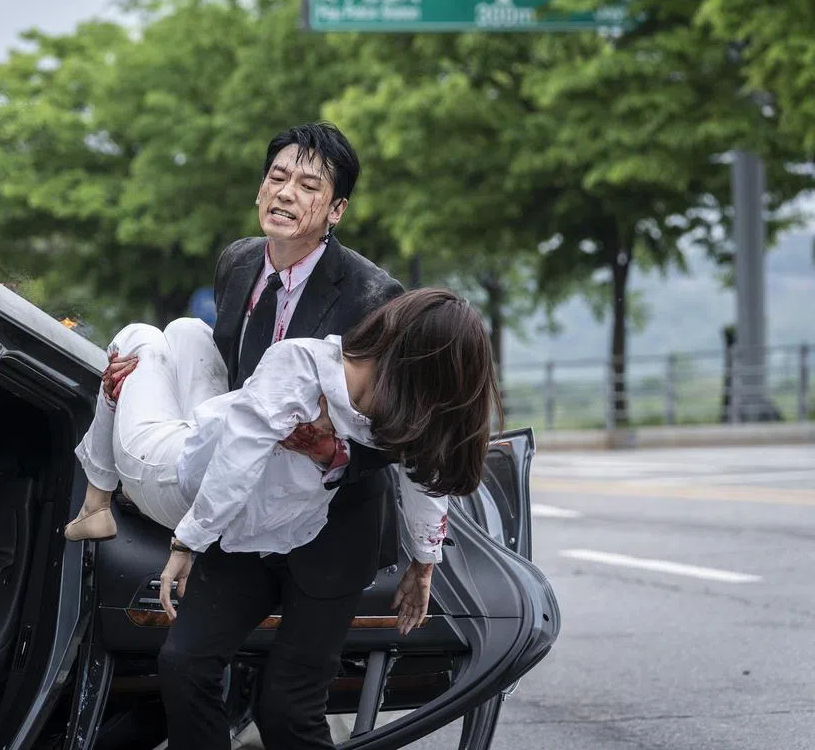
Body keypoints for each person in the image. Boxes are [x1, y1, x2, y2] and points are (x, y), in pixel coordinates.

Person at [97, 123, 489, 750]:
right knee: (184, 663)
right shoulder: (237, 262)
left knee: (288, 709)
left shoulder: (375, 298)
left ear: (335, 211)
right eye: (277, 177)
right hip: (244, 504)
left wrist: (336, 454)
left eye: (309, 185)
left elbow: (402, 435)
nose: (285, 193)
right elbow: (232, 383)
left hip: (331, 528)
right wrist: (144, 379)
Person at [64, 290, 497, 633]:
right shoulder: (393, 420)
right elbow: (427, 485)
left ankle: (95, 501)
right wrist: (423, 566)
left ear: (393, 326)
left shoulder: (301, 363)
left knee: (140, 336)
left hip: (171, 475)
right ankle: (99, 497)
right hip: (263, 514)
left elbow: (235, 464)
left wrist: (186, 543)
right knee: (186, 330)